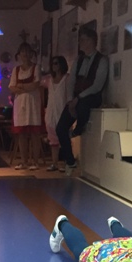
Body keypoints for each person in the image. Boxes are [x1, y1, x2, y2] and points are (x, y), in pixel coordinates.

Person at [56, 27, 108, 176]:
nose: (80, 42)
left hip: (91, 96)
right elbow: (71, 81)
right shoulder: (78, 60)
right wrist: (70, 100)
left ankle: (78, 129)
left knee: (83, 105)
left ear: (91, 41)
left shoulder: (102, 60)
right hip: (75, 98)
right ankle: (70, 160)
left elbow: (97, 85)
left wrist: (78, 98)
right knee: (60, 128)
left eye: (83, 40)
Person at [9, 43, 44, 171]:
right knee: (22, 133)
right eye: (22, 52)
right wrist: (25, 87)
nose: (25, 54)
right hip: (20, 104)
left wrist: (21, 86)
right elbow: (12, 87)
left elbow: (35, 84)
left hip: (33, 103)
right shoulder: (16, 70)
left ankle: (35, 161)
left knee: (35, 133)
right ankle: (24, 161)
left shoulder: (36, 68)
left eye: (27, 51)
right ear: (19, 54)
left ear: (31, 53)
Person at [41, 56, 69, 172]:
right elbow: (39, 83)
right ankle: (54, 163)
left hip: (62, 110)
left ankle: (66, 163)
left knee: (64, 139)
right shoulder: (49, 80)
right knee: (53, 139)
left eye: (56, 63)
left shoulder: (67, 79)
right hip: (51, 112)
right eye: (53, 63)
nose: (54, 66)